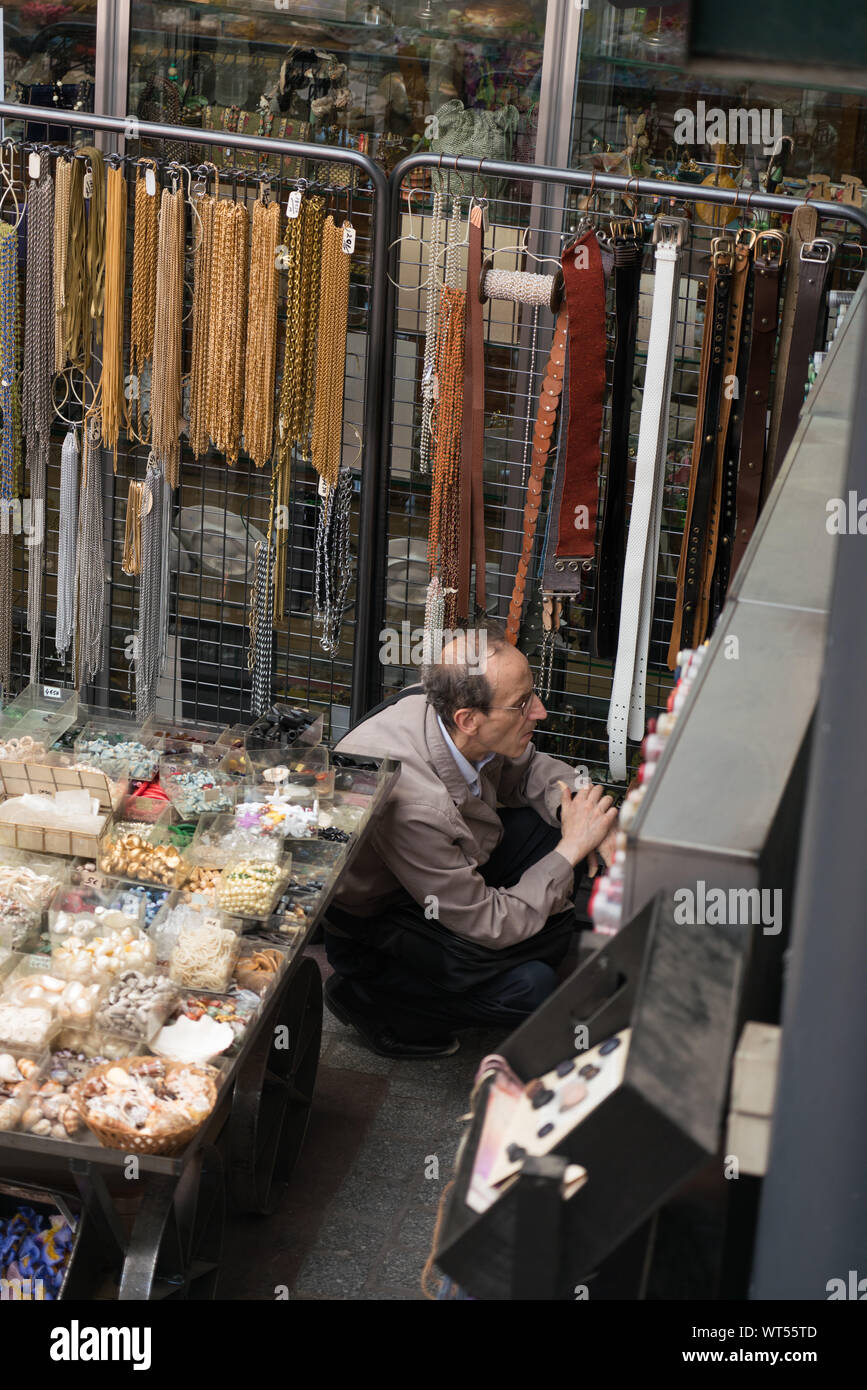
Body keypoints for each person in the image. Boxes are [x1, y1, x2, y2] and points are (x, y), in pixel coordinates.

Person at [324, 625, 618, 1058]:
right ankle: (372, 998)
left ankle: (546, 930)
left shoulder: (455, 717)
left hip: (446, 868)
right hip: (381, 920)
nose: (539, 711)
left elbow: (531, 769)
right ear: (469, 719)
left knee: (555, 837)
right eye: (522, 705)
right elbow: (488, 922)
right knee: (531, 986)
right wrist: (572, 848)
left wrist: (586, 812)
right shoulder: (415, 805)